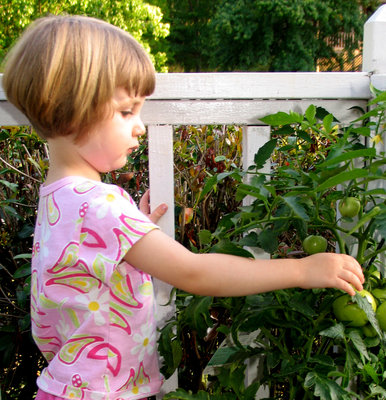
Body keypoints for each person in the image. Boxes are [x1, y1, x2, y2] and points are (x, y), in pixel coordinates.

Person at [2, 15, 365, 400]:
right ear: (71, 108)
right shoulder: (100, 205)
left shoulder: (58, 198)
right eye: (127, 111)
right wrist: (301, 269)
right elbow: (193, 272)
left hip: (68, 386)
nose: (139, 125)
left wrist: (132, 230)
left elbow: (81, 272)